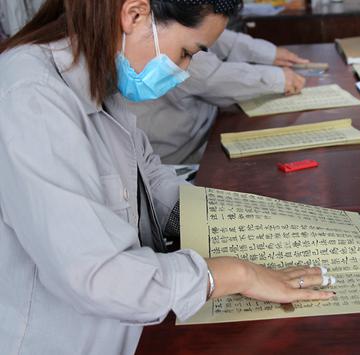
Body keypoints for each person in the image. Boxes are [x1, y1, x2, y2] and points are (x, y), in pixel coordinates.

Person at [0, 1, 335, 354]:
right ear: (134, 14)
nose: (185, 70)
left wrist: (248, 223)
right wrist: (234, 273)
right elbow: (97, 276)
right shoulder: (31, 98)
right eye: (186, 53)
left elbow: (152, 182)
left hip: (124, 328)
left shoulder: (98, 78)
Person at [130, 29, 308, 164]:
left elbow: (210, 32)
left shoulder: (179, 20)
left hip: (198, 133)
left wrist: (267, 53)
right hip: (173, 157)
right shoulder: (162, 38)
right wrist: (278, 78)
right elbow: (210, 77)